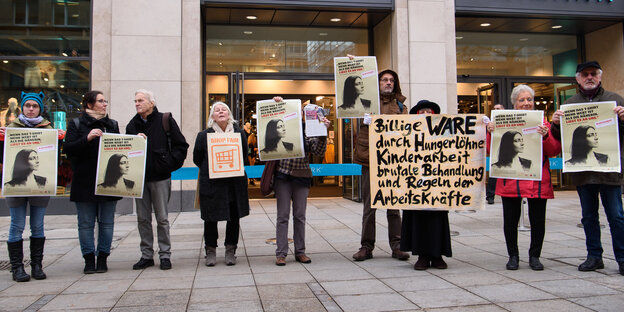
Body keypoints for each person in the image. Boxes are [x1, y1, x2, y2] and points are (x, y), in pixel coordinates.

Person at [551, 61, 624, 275]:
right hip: (583, 173)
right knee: (588, 217)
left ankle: (622, 257)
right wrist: (555, 124)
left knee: (616, 216)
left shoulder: (614, 101)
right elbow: (560, 140)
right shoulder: (570, 104)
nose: (589, 77)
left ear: (600, 77)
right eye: (585, 74)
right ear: (578, 78)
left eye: (593, 74)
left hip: (609, 171)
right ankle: (594, 257)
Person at [486, 84, 560, 271]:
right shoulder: (504, 122)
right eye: (522, 100)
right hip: (510, 180)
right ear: (514, 103)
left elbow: (554, 150)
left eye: (529, 99)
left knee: (538, 221)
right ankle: (513, 256)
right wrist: (490, 132)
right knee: (510, 221)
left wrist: (545, 136)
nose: (526, 103)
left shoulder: (543, 123)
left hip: (537, 180)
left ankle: (535, 256)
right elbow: (490, 150)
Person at [0, 91, 64, 282]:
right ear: (22, 107)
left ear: (40, 109)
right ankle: (17, 267)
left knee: (38, 226)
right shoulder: (11, 128)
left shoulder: (48, 128)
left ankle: (37, 265)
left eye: (34, 106)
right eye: (27, 105)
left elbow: (54, 159)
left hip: (38, 186)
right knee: (16, 226)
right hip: (16, 186)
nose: (30, 109)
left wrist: (60, 141)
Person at [352, 68, 410, 261]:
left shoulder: (401, 106)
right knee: (369, 207)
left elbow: (406, 130)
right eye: (384, 80)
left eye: (391, 80)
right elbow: (352, 126)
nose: (388, 83)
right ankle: (366, 247)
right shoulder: (365, 103)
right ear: (377, 83)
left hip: (392, 163)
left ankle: (398, 246)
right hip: (370, 161)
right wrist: (364, 120)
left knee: (393, 206)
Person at [126, 89, 188, 271]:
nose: (137, 103)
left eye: (141, 100)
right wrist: (134, 141)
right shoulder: (132, 125)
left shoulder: (165, 120)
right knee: (142, 218)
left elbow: (181, 146)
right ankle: (146, 255)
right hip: (140, 179)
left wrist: (167, 164)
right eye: (135, 100)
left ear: (151, 103)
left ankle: (165, 255)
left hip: (160, 178)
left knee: (162, 218)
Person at [64, 90, 121, 274]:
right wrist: (87, 138)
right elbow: (69, 149)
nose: (105, 104)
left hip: (108, 180)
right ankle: (89, 258)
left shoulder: (111, 124)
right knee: (86, 223)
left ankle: (103, 257)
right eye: (101, 101)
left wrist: (138, 141)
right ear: (89, 105)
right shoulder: (77, 123)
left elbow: (120, 147)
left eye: (105, 101)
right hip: (84, 181)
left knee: (106, 222)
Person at [271, 96, 329, 266]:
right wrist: (277, 104)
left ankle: (300, 252)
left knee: (300, 216)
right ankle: (280, 253)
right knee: (282, 216)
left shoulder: (309, 130)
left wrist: (323, 133)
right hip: (283, 175)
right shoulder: (283, 126)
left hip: (301, 176)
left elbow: (318, 151)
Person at [194, 102, 249, 266]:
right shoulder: (204, 135)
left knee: (233, 217)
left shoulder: (239, 133)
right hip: (212, 184)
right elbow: (197, 158)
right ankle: (210, 251)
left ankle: (230, 250)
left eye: (224, 109)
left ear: (229, 114)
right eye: (216, 110)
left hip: (234, 183)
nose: (220, 111)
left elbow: (245, 155)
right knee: (210, 218)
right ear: (212, 116)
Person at [401, 100, 452, 270]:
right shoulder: (407, 133)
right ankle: (422, 255)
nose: (425, 115)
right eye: (421, 112)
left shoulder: (444, 132)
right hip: (416, 182)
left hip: (437, 182)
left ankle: (437, 255)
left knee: (437, 219)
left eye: (428, 112)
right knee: (418, 220)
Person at [486, 104, 505, 204]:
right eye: (494, 109)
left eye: (498, 108)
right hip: (496, 152)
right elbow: (489, 139)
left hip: (507, 151)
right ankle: (490, 196)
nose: (495, 110)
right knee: (493, 176)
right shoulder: (491, 123)